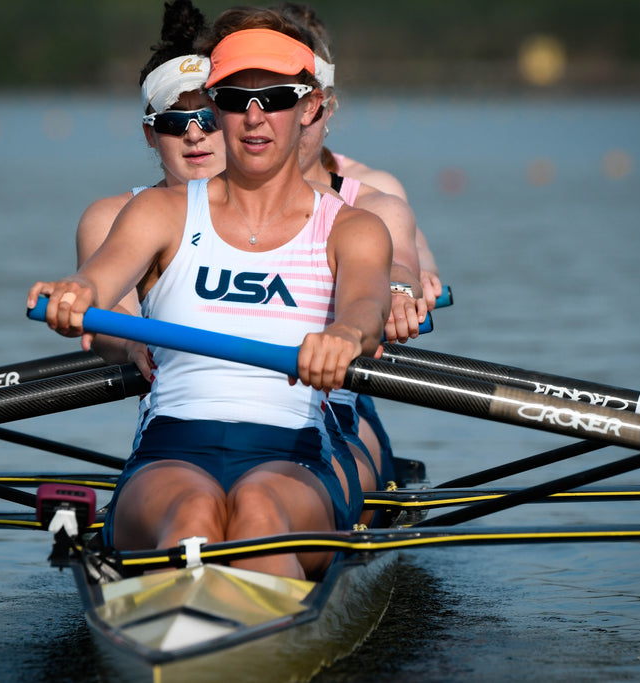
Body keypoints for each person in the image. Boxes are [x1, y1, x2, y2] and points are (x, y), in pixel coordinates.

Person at [28, 7, 393, 580]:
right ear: (215, 108)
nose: (254, 117)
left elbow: (367, 306)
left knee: (256, 513)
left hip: (297, 454)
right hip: (172, 449)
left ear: (311, 107)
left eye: (275, 97)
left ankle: (227, 641)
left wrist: (346, 334)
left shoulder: (354, 227)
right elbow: (101, 277)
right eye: (232, 99)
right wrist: (75, 292)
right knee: (194, 513)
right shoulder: (159, 212)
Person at [75, 0, 224, 370]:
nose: (193, 134)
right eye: (174, 121)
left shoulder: (293, 203)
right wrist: (132, 344)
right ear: (150, 134)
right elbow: (111, 312)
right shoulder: (111, 216)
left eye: (208, 117)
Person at [276, 2, 443, 308]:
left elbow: (409, 250)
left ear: (326, 106)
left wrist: (413, 278)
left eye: (305, 104)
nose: (290, 121)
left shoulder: (376, 190)